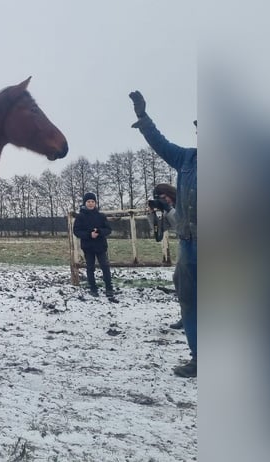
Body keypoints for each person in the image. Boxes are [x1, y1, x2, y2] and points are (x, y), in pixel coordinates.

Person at [130, 90, 197, 378]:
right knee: (189, 301)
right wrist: (143, 119)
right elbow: (160, 144)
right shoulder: (186, 159)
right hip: (189, 245)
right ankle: (199, 357)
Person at [148, 182, 183, 330]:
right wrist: (152, 213)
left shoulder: (184, 203)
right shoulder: (168, 209)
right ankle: (187, 316)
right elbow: (160, 232)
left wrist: (168, 209)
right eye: (159, 199)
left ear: (170, 194)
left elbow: (182, 224)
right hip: (186, 248)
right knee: (180, 281)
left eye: (164, 197)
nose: (164, 201)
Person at [73, 192, 117, 302]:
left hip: (101, 245)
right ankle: (93, 288)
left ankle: (109, 288)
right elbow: (77, 231)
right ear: (85, 203)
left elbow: (108, 229)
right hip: (88, 246)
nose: (91, 203)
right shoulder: (80, 216)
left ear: (95, 203)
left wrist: (100, 232)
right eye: (88, 201)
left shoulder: (101, 216)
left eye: (93, 201)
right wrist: (89, 235)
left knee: (105, 266)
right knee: (90, 267)